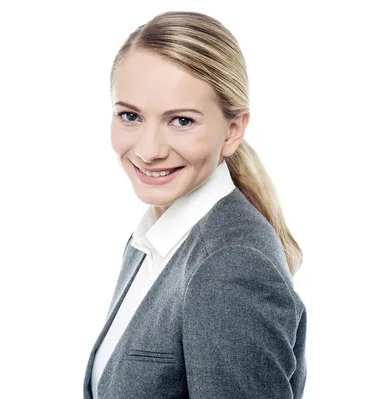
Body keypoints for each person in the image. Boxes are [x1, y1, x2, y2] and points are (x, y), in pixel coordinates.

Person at [82, 11, 307, 399]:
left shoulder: (232, 266)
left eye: (182, 121)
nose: (149, 151)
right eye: (130, 115)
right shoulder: (155, 238)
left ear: (233, 130)